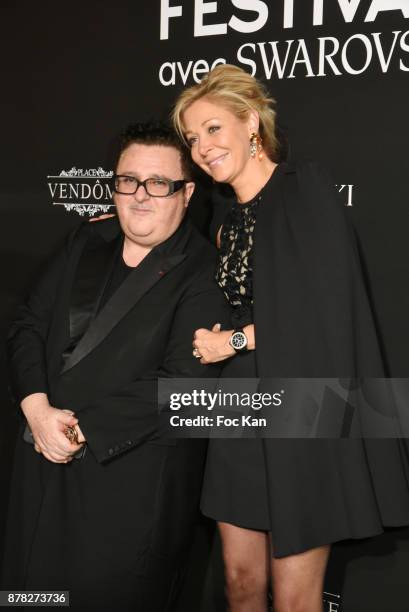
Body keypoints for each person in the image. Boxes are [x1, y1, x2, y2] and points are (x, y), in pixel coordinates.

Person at [172, 64, 409, 612]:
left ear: (250, 121)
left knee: (296, 599)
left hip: (303, 409)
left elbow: (324, 311)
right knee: (239, 584)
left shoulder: (305, 187)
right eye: (192, 137)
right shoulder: (227, 221)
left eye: (212, 128)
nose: (202, 147)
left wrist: (231, 342)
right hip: (236, 408)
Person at [2, 122, 230, 609]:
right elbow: (27, 325)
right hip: (39, 469)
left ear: (187, 193)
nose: (140, 196)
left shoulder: (204, 271)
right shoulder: (86, 240)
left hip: (127, 489)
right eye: (129, 181)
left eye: (159, 184)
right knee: (31, 598)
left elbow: (182, 385)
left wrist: (80, 431)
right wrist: (37, 410)